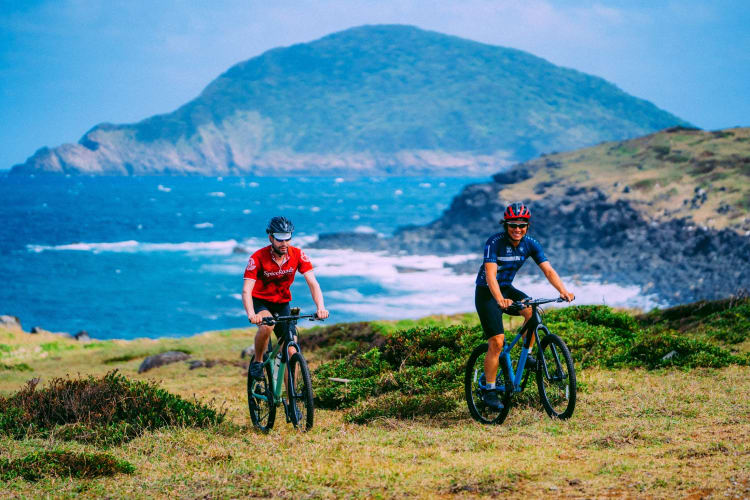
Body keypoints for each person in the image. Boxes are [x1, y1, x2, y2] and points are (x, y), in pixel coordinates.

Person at [475, 202, 575, 410]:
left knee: (532, 312)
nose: (517, 229)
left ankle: (527, 355)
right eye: (513, 225)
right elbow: (491, 275)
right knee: (497, 342)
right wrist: (499, 300)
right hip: (487, 292)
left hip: (507, 288)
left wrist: (562, 290)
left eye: (522, 225)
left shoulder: (530, 243)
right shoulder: (494, 242)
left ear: (527, 226)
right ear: (506, 225)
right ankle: (490, 390)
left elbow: (548, 270)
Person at [242, 216, 329, 379]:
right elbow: (247, 290)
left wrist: (321, 308)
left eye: (287, 238)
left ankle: (292, 402)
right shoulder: (257, 258)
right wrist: (251, 314)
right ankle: (258, 362)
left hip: (282, 303)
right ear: (271, 238)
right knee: (267, 326)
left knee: (291, 351)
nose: (284, 243)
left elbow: (313, 283)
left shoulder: (298, 255)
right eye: (280, 239)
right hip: (261, 302)